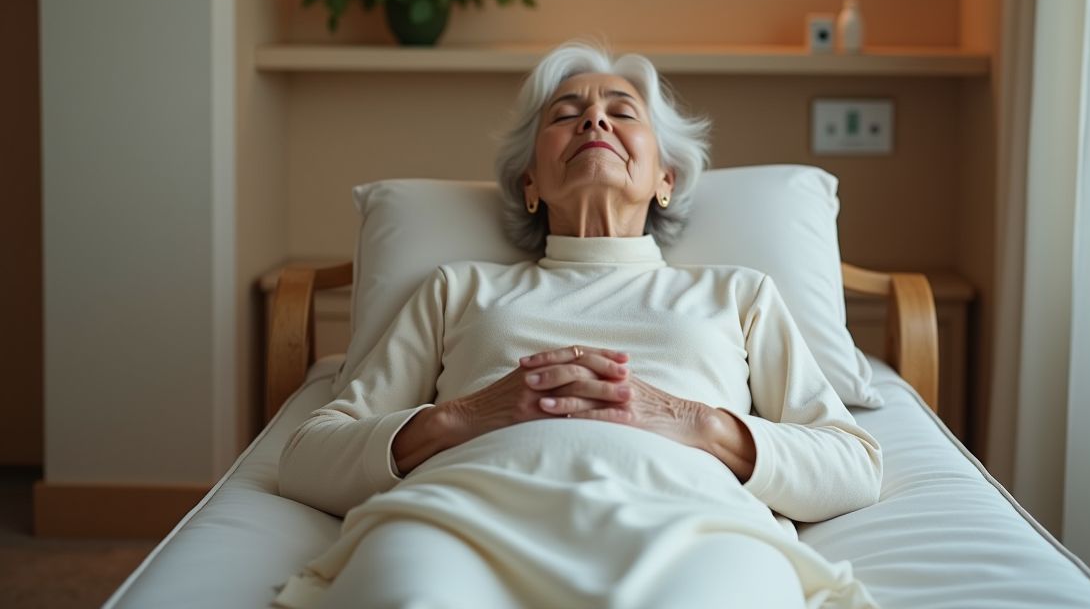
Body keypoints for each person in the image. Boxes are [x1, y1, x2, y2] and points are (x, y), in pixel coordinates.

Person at [275, 42, 883, 609]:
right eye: (567, 115)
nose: (595, 122)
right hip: (461, 518)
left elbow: (852, 467)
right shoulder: (458, 287)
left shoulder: (738, 292)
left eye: (622, 112)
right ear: (530, 182)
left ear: (665, 177)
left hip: (694, 522)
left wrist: (687, 420)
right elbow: (307, 458)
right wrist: (467, 415)